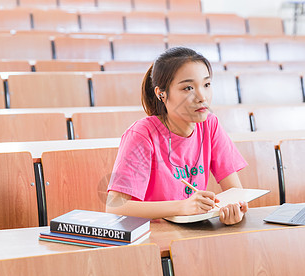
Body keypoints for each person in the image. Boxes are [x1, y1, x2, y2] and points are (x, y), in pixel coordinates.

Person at [106, 47, 248, 225]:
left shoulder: (210, 125)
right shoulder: (142, 134)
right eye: (188, 88)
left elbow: (235, 193)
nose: (202, 97)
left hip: (196, 234)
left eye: (206, 85)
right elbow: (115, 207)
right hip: (153, 237)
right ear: (161, 94)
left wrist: (235, 210)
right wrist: (181, 207)